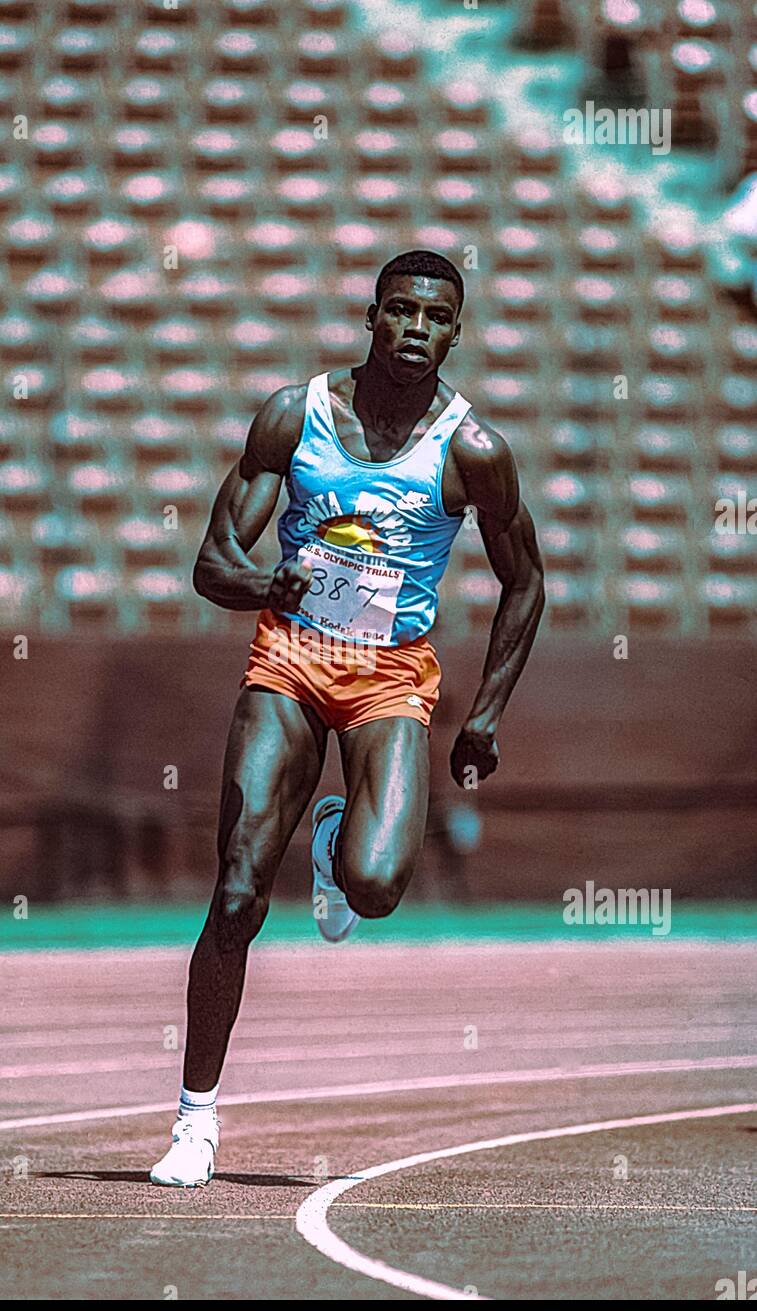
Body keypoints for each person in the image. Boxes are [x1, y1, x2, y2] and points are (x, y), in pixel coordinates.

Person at [150, 250, 545, 1187]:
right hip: (287, 657)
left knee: (374, 889)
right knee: (239, 889)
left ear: (455, 333)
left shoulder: (472, 450)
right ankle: (193, 1122)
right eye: (399, 310)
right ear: (371, 314)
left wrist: (483, 717)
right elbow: (212, 564)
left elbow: (524, 583)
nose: (414, 328)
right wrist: (263, 584)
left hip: (387, 677)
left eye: (435, 317)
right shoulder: (295, 417)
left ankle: (335, 844)